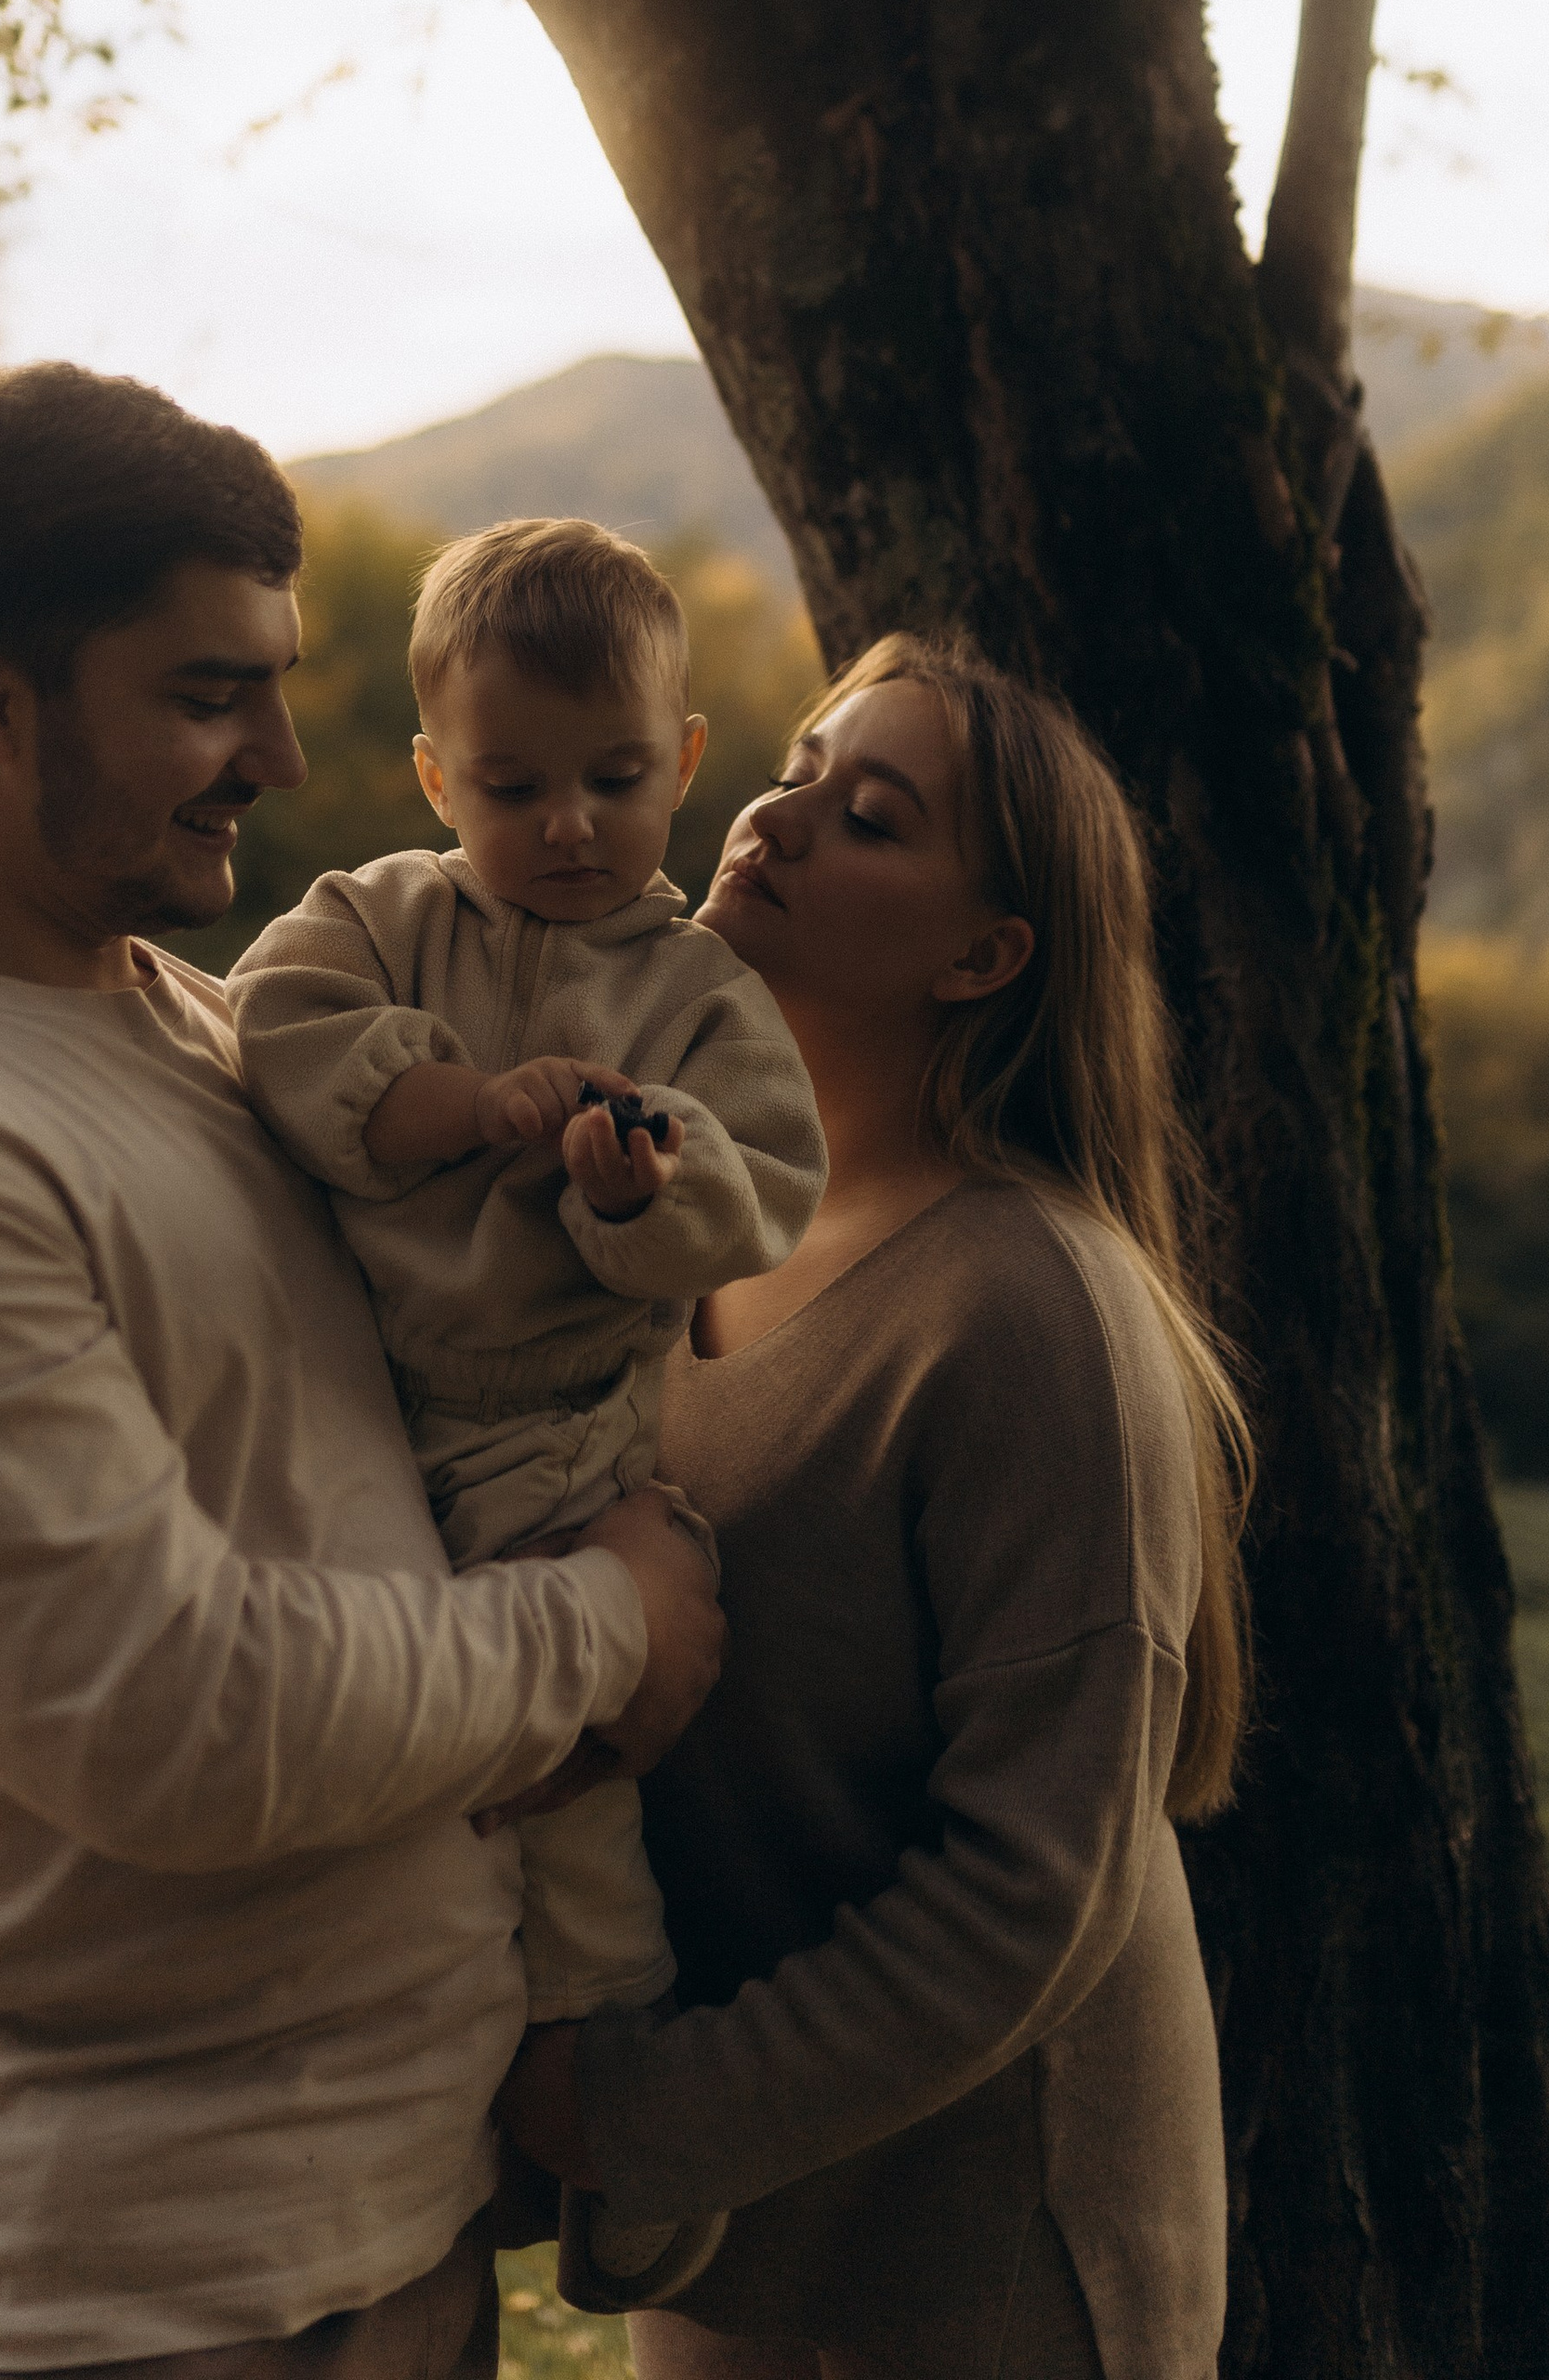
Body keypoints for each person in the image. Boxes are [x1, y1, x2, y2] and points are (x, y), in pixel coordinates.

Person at [0, 366, 725, 2380]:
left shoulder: (200, 1025)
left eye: (281, 685)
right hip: (112, 2291)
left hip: (372, 2225)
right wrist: (604, 1627)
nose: (282, 756)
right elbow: (177, 1718)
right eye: (208, 694)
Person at [497, 631, 1251, 2380]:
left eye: (872, 816)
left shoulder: (1031, 1311)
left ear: (987, 955)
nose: (771, 820)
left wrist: (639, 2109)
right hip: (740, 2236)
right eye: (799, 766)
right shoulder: (683, 1233)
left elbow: (1030, 1894)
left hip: (987, 2271)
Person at [227, 520, 826, 2313]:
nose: (568, 823)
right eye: (513, 785)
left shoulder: (703, 994)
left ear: (687, 764)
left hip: (562, 1438)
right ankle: (393, 2105)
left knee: (566, 1809)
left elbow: (762, 1191)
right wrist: (457, 1101)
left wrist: (636, 1187)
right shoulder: (385, 916)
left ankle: (609, 2098)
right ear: (434, 774)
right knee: (365, 1775)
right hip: (356, 1412)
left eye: (616, 779)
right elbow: (279, 1025)